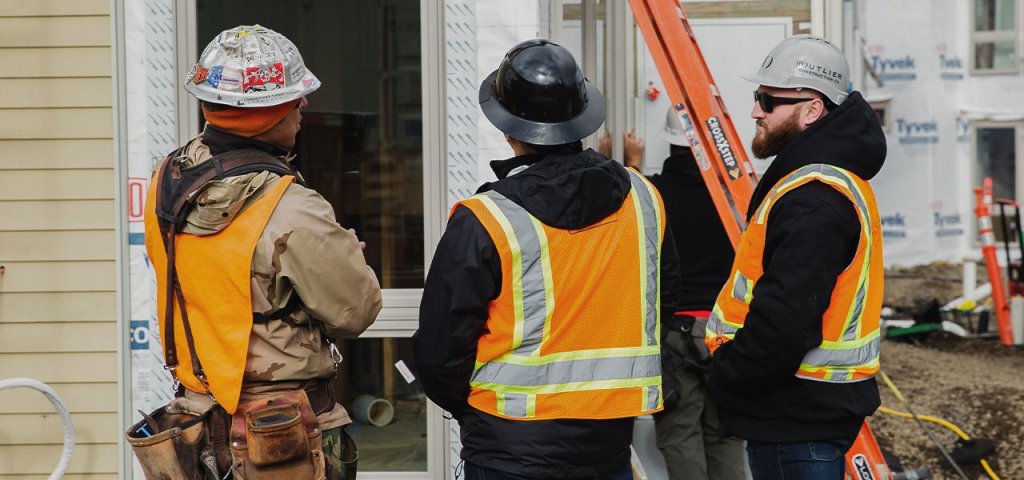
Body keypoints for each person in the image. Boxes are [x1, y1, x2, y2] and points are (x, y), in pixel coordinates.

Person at [413, 39, 682, 480]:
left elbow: (441, 348)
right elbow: (663, 302)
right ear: (581, 121)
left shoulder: (487, 218)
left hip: (509, 449)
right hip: (608, 444)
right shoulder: (644, 199)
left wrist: (478, 412)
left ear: (507, 130)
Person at [142, 25, 381, 479]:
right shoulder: (293, 209)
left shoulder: (166, 181)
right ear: (268, 112)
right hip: (279, 431)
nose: (304, 105)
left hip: (194, 422)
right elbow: (355, 313)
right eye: (294, 96)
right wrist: (345, 255)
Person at [704, 34, 886, 480]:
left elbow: (785, 323)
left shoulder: (814, 199)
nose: (755, 111)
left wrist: (727, 375)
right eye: (757, 97)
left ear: (812, 110)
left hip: (795, 416)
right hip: (802, 411)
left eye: (768, 101)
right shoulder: (822, 181)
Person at [599, 107, 747, 480]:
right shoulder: (735, 196)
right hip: (726, 333)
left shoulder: (653, 192)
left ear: (669, 142)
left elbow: (621, 211)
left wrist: (622, 163)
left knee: (680, 434)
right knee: (726, 435)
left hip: (676, 334)